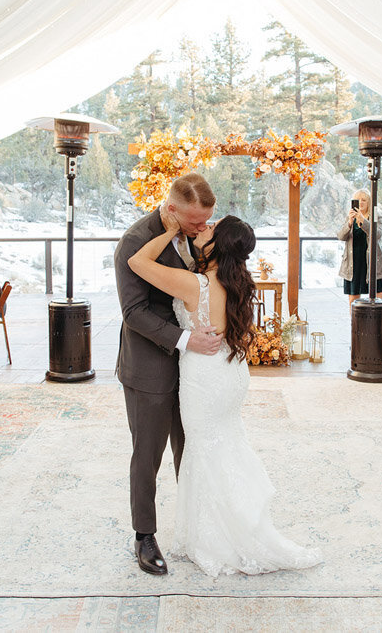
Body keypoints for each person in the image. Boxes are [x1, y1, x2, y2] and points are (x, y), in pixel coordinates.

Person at [128, 213, 322, 577]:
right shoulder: (237, 282)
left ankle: (218, 537)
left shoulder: (196, 285)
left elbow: (137, 262)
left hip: (204, 378)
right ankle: (227, 526)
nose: (204, 227)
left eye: (212, 228)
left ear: (219, 245)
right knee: (223, 447)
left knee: (205, 452)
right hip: (230, 375)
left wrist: (171, 229)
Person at [114, 172, 223, 576]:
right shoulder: (135, 242)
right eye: (195, 221)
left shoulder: (195, 233)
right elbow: (133, 313)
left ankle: (194, 528)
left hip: (193, 370)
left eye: (206, 220)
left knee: (190, 448)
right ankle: (144, 535)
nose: (202, 228)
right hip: (149, 367)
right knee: (148, 454)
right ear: (172, 210)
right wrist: (184, 340)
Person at [338, 190, 382, 304]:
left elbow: (377, 234)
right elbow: (341, 236)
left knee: (378, 298)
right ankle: (354, 322)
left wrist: (363, 221)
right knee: (353, 299)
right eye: (357, 200)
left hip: (372, 263)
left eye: (364, 200)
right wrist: (350, 223)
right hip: (353, 263)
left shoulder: (376, 217)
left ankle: (379, 321)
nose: (361, 203)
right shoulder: (349, 218)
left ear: (369, 202)